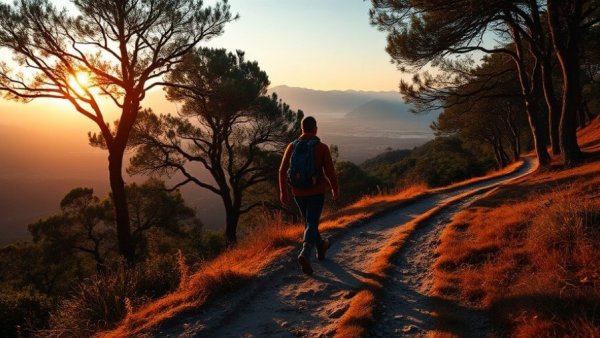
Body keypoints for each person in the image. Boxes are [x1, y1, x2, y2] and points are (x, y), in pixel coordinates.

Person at [279, 116, 339, 275]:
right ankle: (305, 252)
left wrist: (283, 192)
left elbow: (281, 170)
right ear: (315, 129)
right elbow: (330, 172)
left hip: (297, 191)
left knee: (309, 222)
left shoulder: (292, 146)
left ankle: (321, 246)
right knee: (312, 221)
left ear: (301, 129)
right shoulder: (322, 147)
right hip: (316, 191)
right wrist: (335, 189)